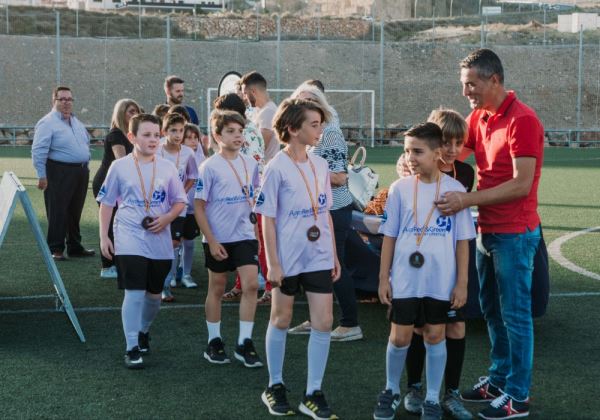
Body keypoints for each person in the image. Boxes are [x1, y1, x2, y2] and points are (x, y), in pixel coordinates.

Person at [436, 49, 544, 420]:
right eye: (464, 85)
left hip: (515, 233)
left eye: (472, 84)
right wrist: (415, 160)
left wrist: (467, 199)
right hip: (487, 230)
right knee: (493, 313)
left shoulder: (523, 120)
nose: (466, 92)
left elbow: (521, 184)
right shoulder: (478, 116)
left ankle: (518, 396)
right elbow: (452, 157)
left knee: (515, 316)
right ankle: (498, 380)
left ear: (493, 80)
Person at [373, 123, 476, 420]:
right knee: (400, 337)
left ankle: (432, 397)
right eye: (407, 151)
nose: (410, 158)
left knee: (434, 335)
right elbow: (389, 236)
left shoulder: (455, 191)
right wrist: (383, 278)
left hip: (440, 282)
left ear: (438, 152)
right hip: (405, 279)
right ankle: (392, 390)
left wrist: (462, 283)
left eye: (417, 151)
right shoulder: (400, 189)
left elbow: (462, 242)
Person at [257, 98, 341, 419]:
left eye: (320, 124)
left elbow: (325, 213)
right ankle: (275, 385)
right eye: (314, 125)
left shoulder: (320, 165)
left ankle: (313, 392)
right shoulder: (276, 167)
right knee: (281, 318)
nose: (320, 130)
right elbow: (267, 218)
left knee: (324, 322)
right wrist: (274, 263)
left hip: (318, 255)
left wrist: (332, 253)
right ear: (293, 129)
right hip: (287, 258)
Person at [97, 113, 187, 369]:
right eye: (146, 135)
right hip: (129, 235)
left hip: (159, 238)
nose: (153, 140)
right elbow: (106, 203)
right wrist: (104, 236)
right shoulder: (120, 167)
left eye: (156, 135)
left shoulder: (167, 167)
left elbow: (180, 201)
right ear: (131, 137)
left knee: (154, 296)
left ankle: (144, 330)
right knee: (134, 292)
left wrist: (167, 218)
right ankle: (131, 346)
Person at [402, 109, 475, 420]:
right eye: (447, 142)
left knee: (455, 325)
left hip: (450, 263)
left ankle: (451, 393)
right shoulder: (411, 172)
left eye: (459, 143)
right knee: (421, 327)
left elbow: (458, 230)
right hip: (419, 266)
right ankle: (415, 387)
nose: (452, 149)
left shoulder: (465, 175)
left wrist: (462, 280)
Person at [287, 81, 363, 342]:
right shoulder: (304, 134)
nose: (306, 105)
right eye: (300, 101)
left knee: (333, 265)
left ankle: (350, 323)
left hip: (333, 209)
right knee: (318, 267)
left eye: (311, 100)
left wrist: (303, 172)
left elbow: (340, 177)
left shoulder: (329, 132)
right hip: (317, 210)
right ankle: (317, 316)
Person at [194, 110, 263, 368]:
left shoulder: (251, 163)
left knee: (251, 285)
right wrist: (211, 240)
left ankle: (244, 342)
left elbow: (253, 198)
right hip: (218, 238)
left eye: (240, 131)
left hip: (245, 235)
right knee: (217, 288)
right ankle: (215, 341)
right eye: (231, 131)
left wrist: (256, 230)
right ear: (217, 135)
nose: (237, 136)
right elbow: (199, 207)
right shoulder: (209, 167)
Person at [212, 93, 271, 305]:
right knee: (241, 241)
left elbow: (250, 167)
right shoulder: (246, 130)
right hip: (244, 196)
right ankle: (240, 284)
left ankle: (270, 287)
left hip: (251, 197)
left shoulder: (247, 133)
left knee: (257, 242)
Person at [32, 86, 94, 261]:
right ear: (54, 101)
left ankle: (74, 246)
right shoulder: (47, 122)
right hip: (59, 171)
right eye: (62, 99)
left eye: (69, 99)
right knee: (57, 211)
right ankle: (56, 249)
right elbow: (38, 150)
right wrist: (41, 175)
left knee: (75, 211)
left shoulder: (76, 122)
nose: (67, 102)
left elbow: (85, 144)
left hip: (80, 172)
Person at [92, 98, 141, 279]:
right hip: (108, 184)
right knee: (110, 223)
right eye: (130, 111)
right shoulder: (116, 135)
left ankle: (119, 262)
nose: (134, 114)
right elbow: (122, 160)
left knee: (121, 224)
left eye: (136, 111)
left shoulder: (132, 135)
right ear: (121, 114)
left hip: (122, 184)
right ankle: (107, 266)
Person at [159, 113, 199, 301]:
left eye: (181, 130)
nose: (177, 134)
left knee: (174, 243)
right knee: (157, 243)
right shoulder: (157, 149)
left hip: (178, 206)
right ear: (164, 131)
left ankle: (165, 286)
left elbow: (192, 175)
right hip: (158, 205)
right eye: (173, 130)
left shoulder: (188, 153)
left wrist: (181, 193)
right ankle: (154, 281)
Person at [178, 123, 206, 287]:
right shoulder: (177, 157)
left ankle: (186, 274)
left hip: (193, 209)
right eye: (189, 138)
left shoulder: (202, 160)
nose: (193, 141)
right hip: (176, 207)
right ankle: (172, 276)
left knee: (188, 242)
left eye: (196, 138)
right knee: (175, 242)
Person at [240, 71, 279, 163]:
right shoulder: (259, 110)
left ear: (253, 92)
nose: (244, 97)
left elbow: (259, 146)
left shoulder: (268, 112)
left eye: (245, 93)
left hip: (263, 170)